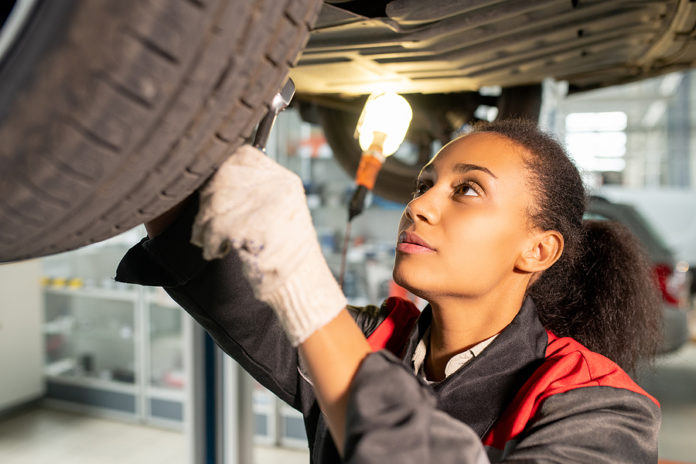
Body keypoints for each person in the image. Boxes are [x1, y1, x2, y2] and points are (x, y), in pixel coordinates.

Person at [116, 119, 662, 463]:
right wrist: (167, 130)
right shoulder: (371, 337)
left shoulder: (603, 409)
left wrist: (304, 281)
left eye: (467, 190)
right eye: (425, 185)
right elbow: (213, 275)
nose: (418, 206)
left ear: (538, 250)